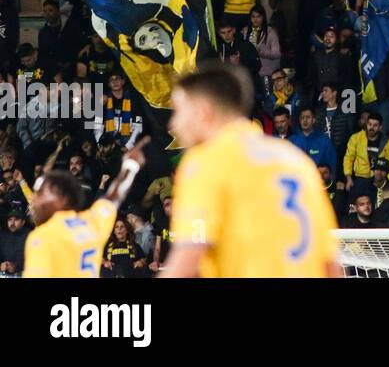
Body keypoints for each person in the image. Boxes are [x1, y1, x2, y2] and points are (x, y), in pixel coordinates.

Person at [162, 64, 341, 277]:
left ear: (203, 112)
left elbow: (190, 253)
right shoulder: (293, 159)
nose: (174, 123)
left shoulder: (207, 161)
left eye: (180, 111)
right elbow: (330, 261)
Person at [22, 136, 148, 278]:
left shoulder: (43, 237)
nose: (35, 200)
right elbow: (113, 197)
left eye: (41, 194)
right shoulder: (91, 222)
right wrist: (130, 167)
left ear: (61, 199)